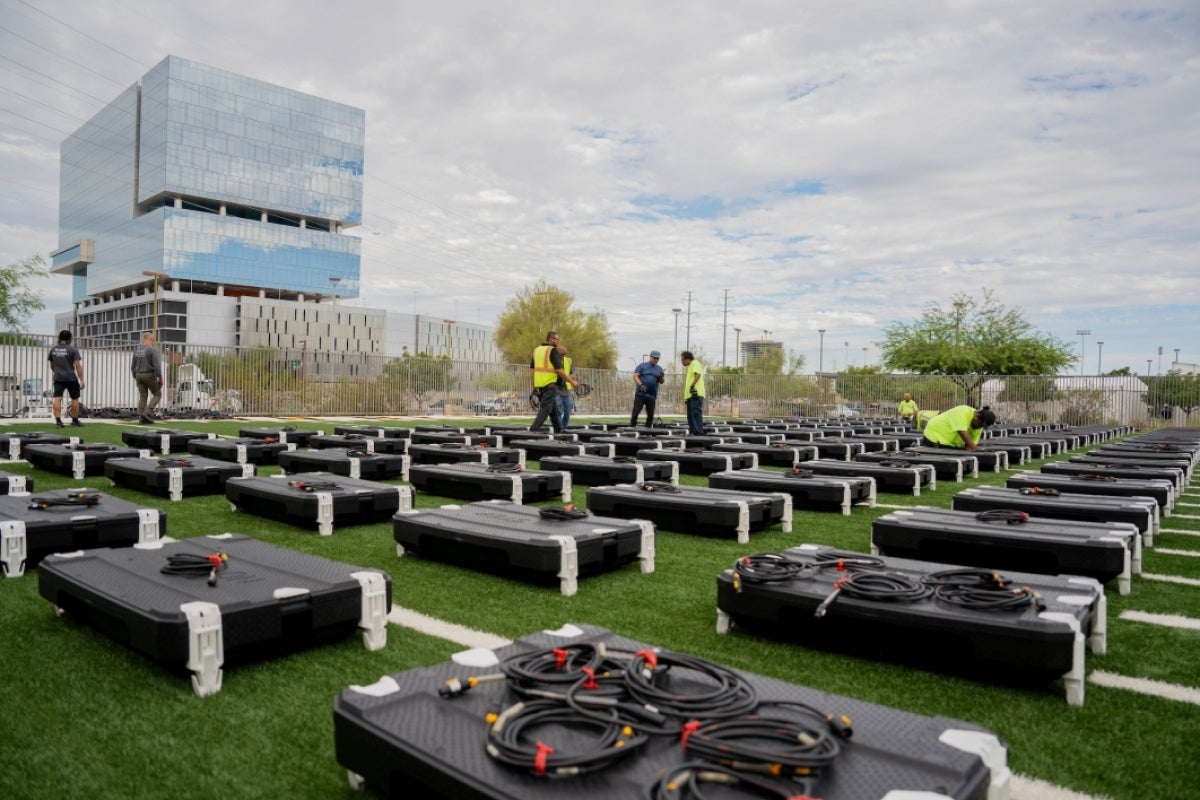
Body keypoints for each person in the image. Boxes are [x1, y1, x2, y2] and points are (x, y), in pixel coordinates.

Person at [529, 331, 579, 433]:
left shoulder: (537, 350)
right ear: (550, 339)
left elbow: (532, 370)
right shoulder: (553, 350)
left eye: (558, 339)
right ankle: (534, 429)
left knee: (553, 410)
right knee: (546, 408)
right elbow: (559, 370)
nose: (557, 341)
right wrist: (572, 382)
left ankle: (559, 429)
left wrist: (534, 385)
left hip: (541, 385)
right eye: (555, 339)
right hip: (550, 385)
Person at [48, 329, 85, 427]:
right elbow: (78, 366)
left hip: (58, 378)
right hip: (71, 378)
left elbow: (52, 365)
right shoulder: (72, 350)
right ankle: (75, 421)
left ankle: (58, 422)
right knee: (74, 399)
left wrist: (56, 372)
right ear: (69, 339)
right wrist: (82, 380)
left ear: (59, 338)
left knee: (57, 398)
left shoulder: (53, 349)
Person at [921, 405, 996, 451]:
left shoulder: (978, 427)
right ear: (976, 415)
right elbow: (962, 431)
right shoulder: (962, 411)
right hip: (934, 434)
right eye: (980, 424)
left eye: (982, 426)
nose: (980, 427)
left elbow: (970, 445)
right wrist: (975, 448)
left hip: (949, 442)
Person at [130, 332, 164, 424]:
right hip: (148, 374)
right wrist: (160, 378)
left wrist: (135, 375)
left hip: (138, 374)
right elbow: (157, 366)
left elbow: (132, 366)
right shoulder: (152, 350)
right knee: (157, 394)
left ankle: (141, 419)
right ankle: (147, 412)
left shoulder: (136, 351)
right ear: (149, 339)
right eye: (152, 341)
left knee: (143, 396)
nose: (153, 343)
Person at [630, 350, 665, 427]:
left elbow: (662, 381)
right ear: (650, 357)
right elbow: (635, 376)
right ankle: (632, 427)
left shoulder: (659, 368)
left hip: (652, 395)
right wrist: (641, 385)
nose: (656, 360)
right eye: (654, 358)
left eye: (657, 359)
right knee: (636, 411)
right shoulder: (642, 366)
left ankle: (648, 430)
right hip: (641, 393)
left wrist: (661, 377)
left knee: (650, 414)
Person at [681, 350, 706, 435]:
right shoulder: (690, 366)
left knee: (695, 413)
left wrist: (692, 385)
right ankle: (693, 432)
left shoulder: (695, 363)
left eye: (682, 360)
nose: (682, 362)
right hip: (690, 395)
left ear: (687, 359)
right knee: (690, 415)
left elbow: (698, 374)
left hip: (695, 393)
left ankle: (698, 433)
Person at [555, 343, 575, 428]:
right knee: (558, 411)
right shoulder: (553, 360)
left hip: (567, 390)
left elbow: (573, 374)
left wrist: (566, 378)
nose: (563, 355)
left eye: (565, 353)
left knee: (568, 411)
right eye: (562, 354)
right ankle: (560, 429)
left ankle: (564, 427)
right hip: (556, 390)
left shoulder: (568, 361)